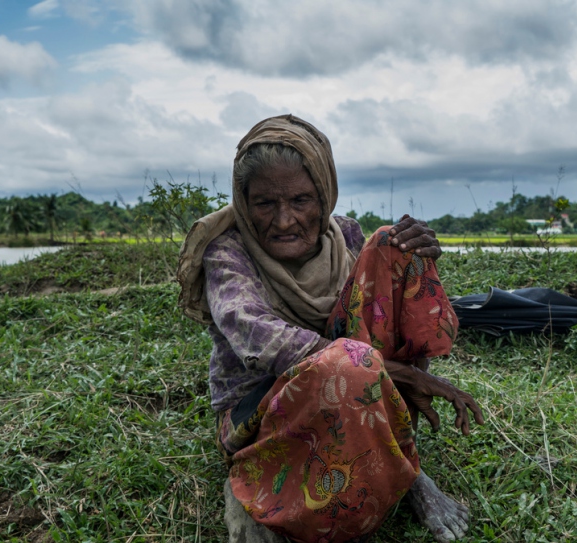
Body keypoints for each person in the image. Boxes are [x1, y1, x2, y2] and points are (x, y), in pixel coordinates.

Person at [177, 114, 484, 542]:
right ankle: (251, 479)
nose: (284, 221)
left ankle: (404, 464)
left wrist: (417, 255)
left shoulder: (348, 235)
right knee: (349, 364)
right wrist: (392, 372)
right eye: (265, 203)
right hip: (262, 408)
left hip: (357, 382)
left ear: (325, 197)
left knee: (395, 246)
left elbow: (379, 318)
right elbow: (254, 333)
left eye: (301, 201)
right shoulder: (227, 252)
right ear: (244, 203)